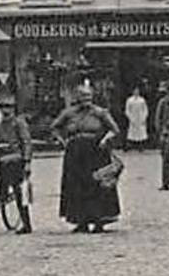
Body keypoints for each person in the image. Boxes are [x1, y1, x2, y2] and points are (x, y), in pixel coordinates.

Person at [51, 76, 121, 233]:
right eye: (82, 97)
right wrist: (63, 141)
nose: (86, 100)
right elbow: (55, 127)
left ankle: (99, 220)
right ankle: (80, 220)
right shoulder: (69, 113)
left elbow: (114, 130)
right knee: (76, 186)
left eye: (88, 97)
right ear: (77, 98)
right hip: (75, 153)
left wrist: (105, 140)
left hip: (96, 152)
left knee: (96, 185)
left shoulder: (100, 113)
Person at [0, 90, 34, 234]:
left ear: (13, 109)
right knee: (3, 184)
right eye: (3, 107)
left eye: (8, 107)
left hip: (17, 160)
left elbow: (26, 142)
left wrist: (27, 161)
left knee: (19, 191)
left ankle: (26, 224)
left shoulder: (19, 123)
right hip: (3, 162)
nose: (6, 110)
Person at [123, 85, 149, 150]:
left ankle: (141, 146)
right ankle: (129, 146)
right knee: (132, 132)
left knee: (141, 132)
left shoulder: (142, 100)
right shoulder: (129, 100)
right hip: (133, 117)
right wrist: (130, 118)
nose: (136, 92)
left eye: (137, 91)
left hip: (140, 117)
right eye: (135, 91)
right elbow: (127, 110)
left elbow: (145, 109)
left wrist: (144, 117)